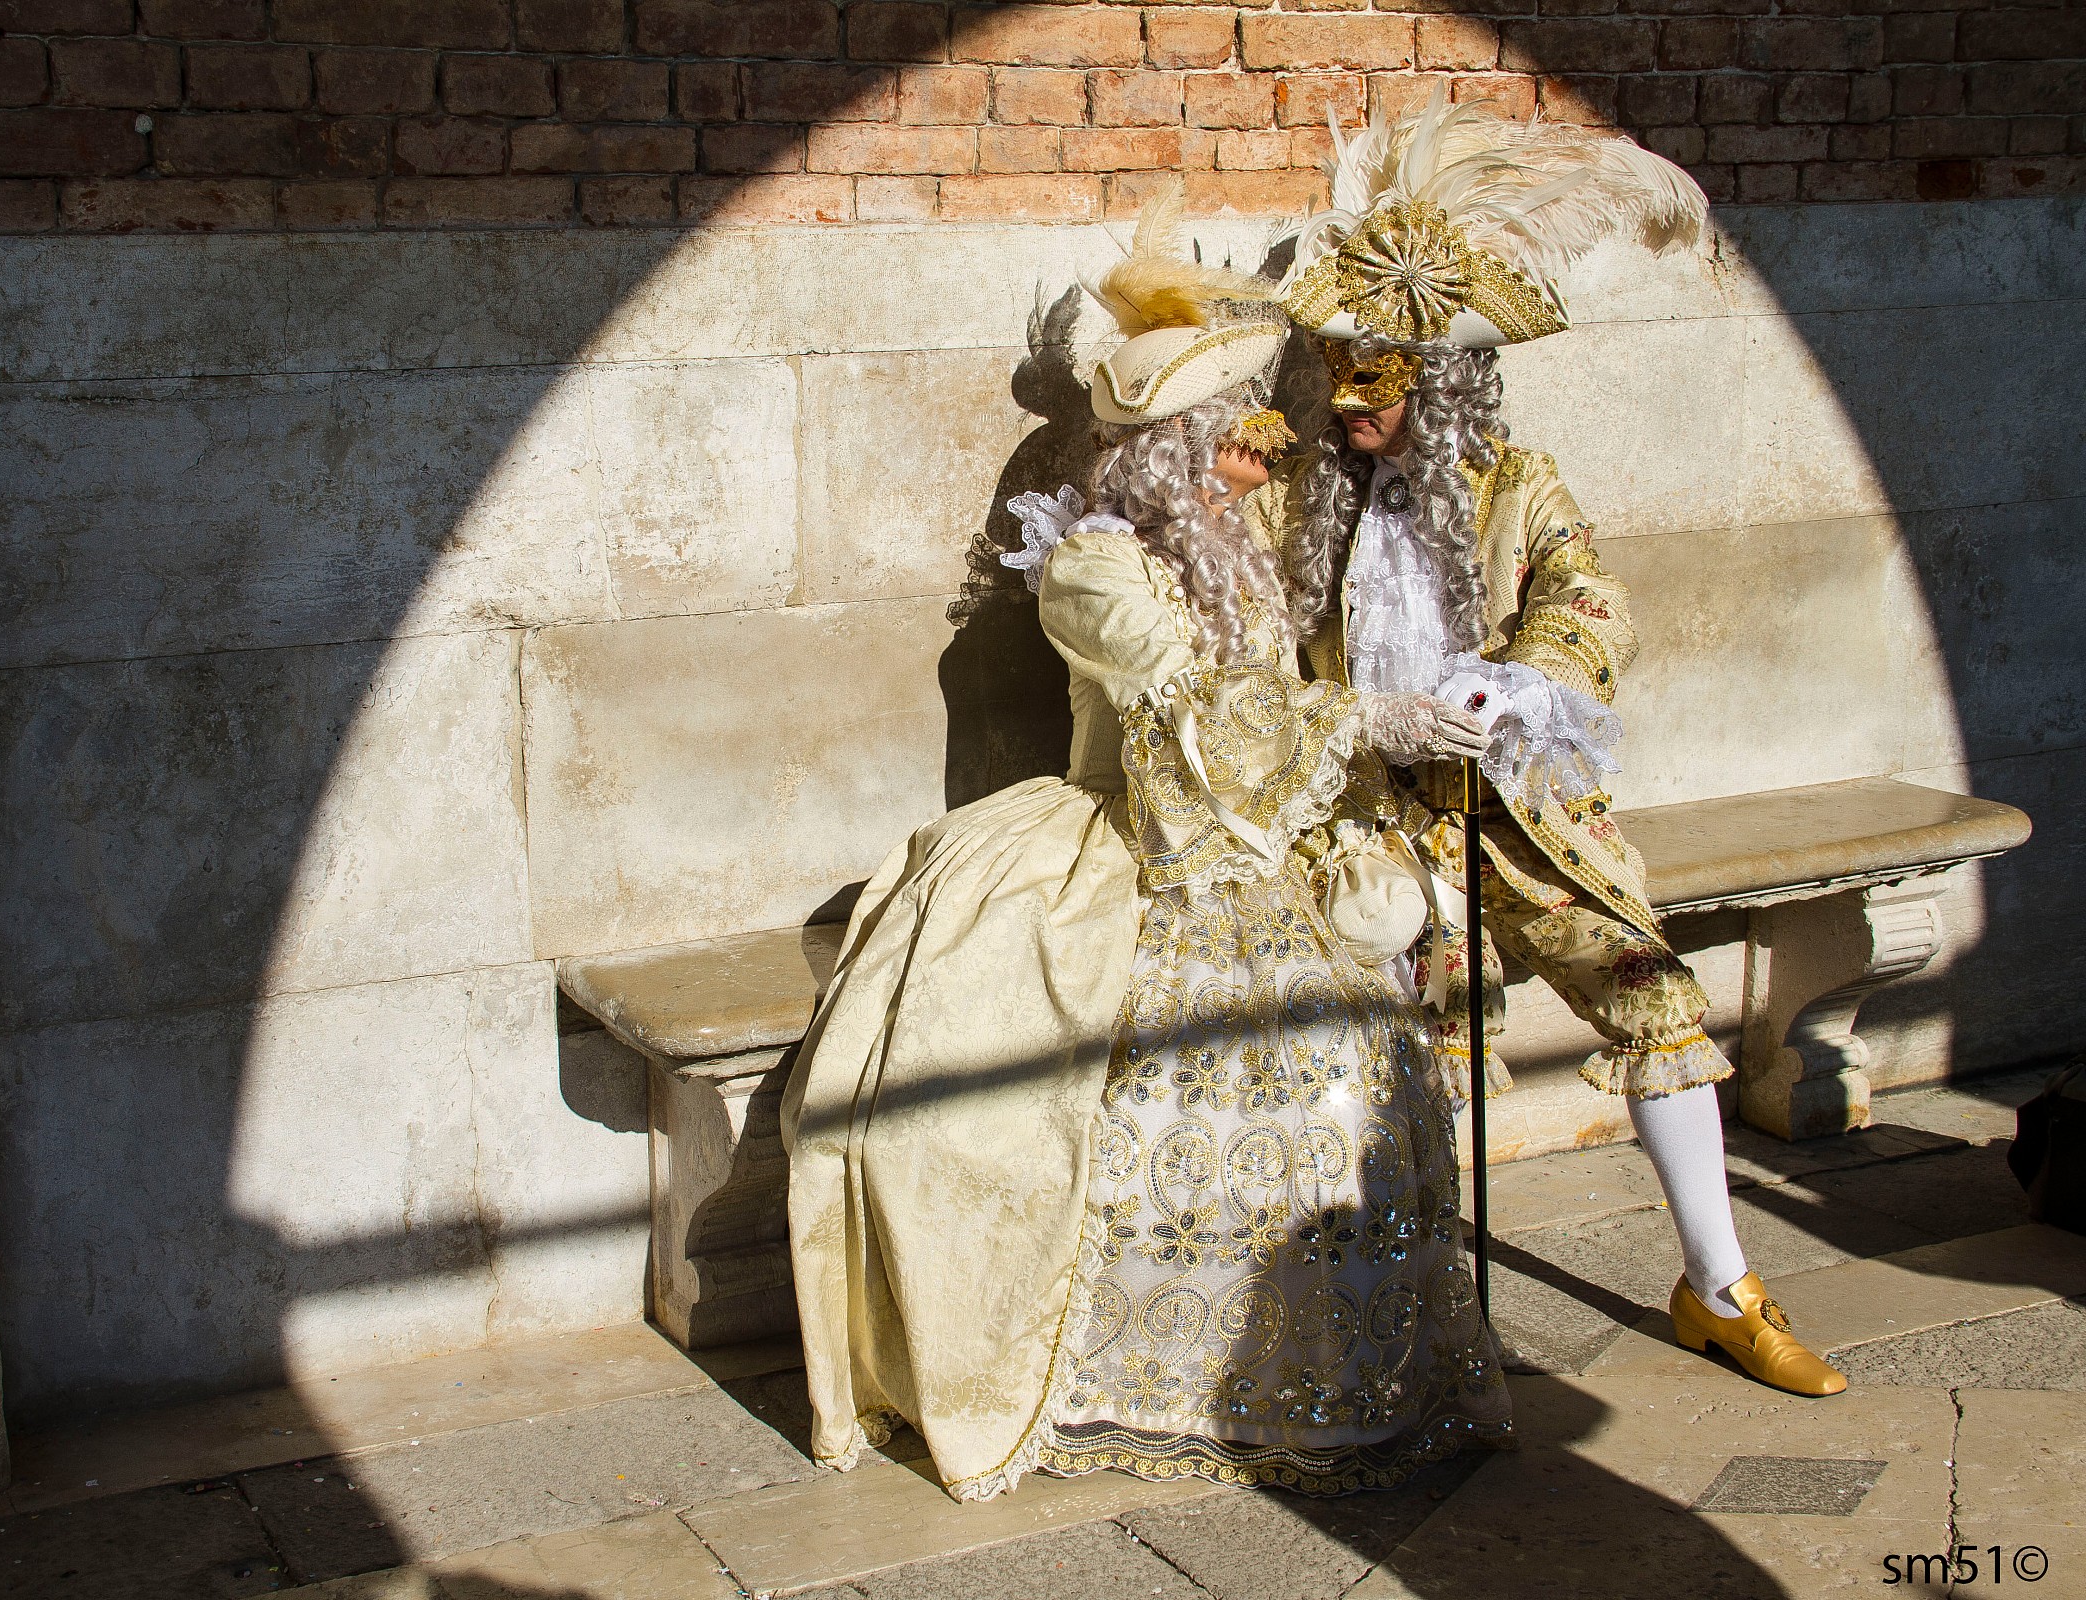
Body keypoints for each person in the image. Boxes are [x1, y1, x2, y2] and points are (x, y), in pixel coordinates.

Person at [781, 186, 1513, 1502]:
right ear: (1170, 446)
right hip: (1142, 849)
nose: (1268, 443)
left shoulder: (1241, 552)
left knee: (1363, 1096)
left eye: (1265, 426)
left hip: (1254, 855)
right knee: (1154, 1107)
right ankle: (1132, 1373)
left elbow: (1282, 693)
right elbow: (1196, 724)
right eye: (1239, 429)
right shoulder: (1098, 569)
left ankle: (1331, 1375)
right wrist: (1368, 719)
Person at [1243, 92, 1846, 1397]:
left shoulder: (1517, 483)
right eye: (1343, 366)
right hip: (1383, 827)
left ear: (1444, 381)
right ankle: (1416, 1319)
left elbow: (1589, 597)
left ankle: (1721, 1283)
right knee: (1423, 1056)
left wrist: (1521, 683)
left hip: (1523, 804)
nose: (1355, 400)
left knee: (1655, 1001)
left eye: (1384, 376)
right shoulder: (1297, 501)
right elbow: (1248, 659)